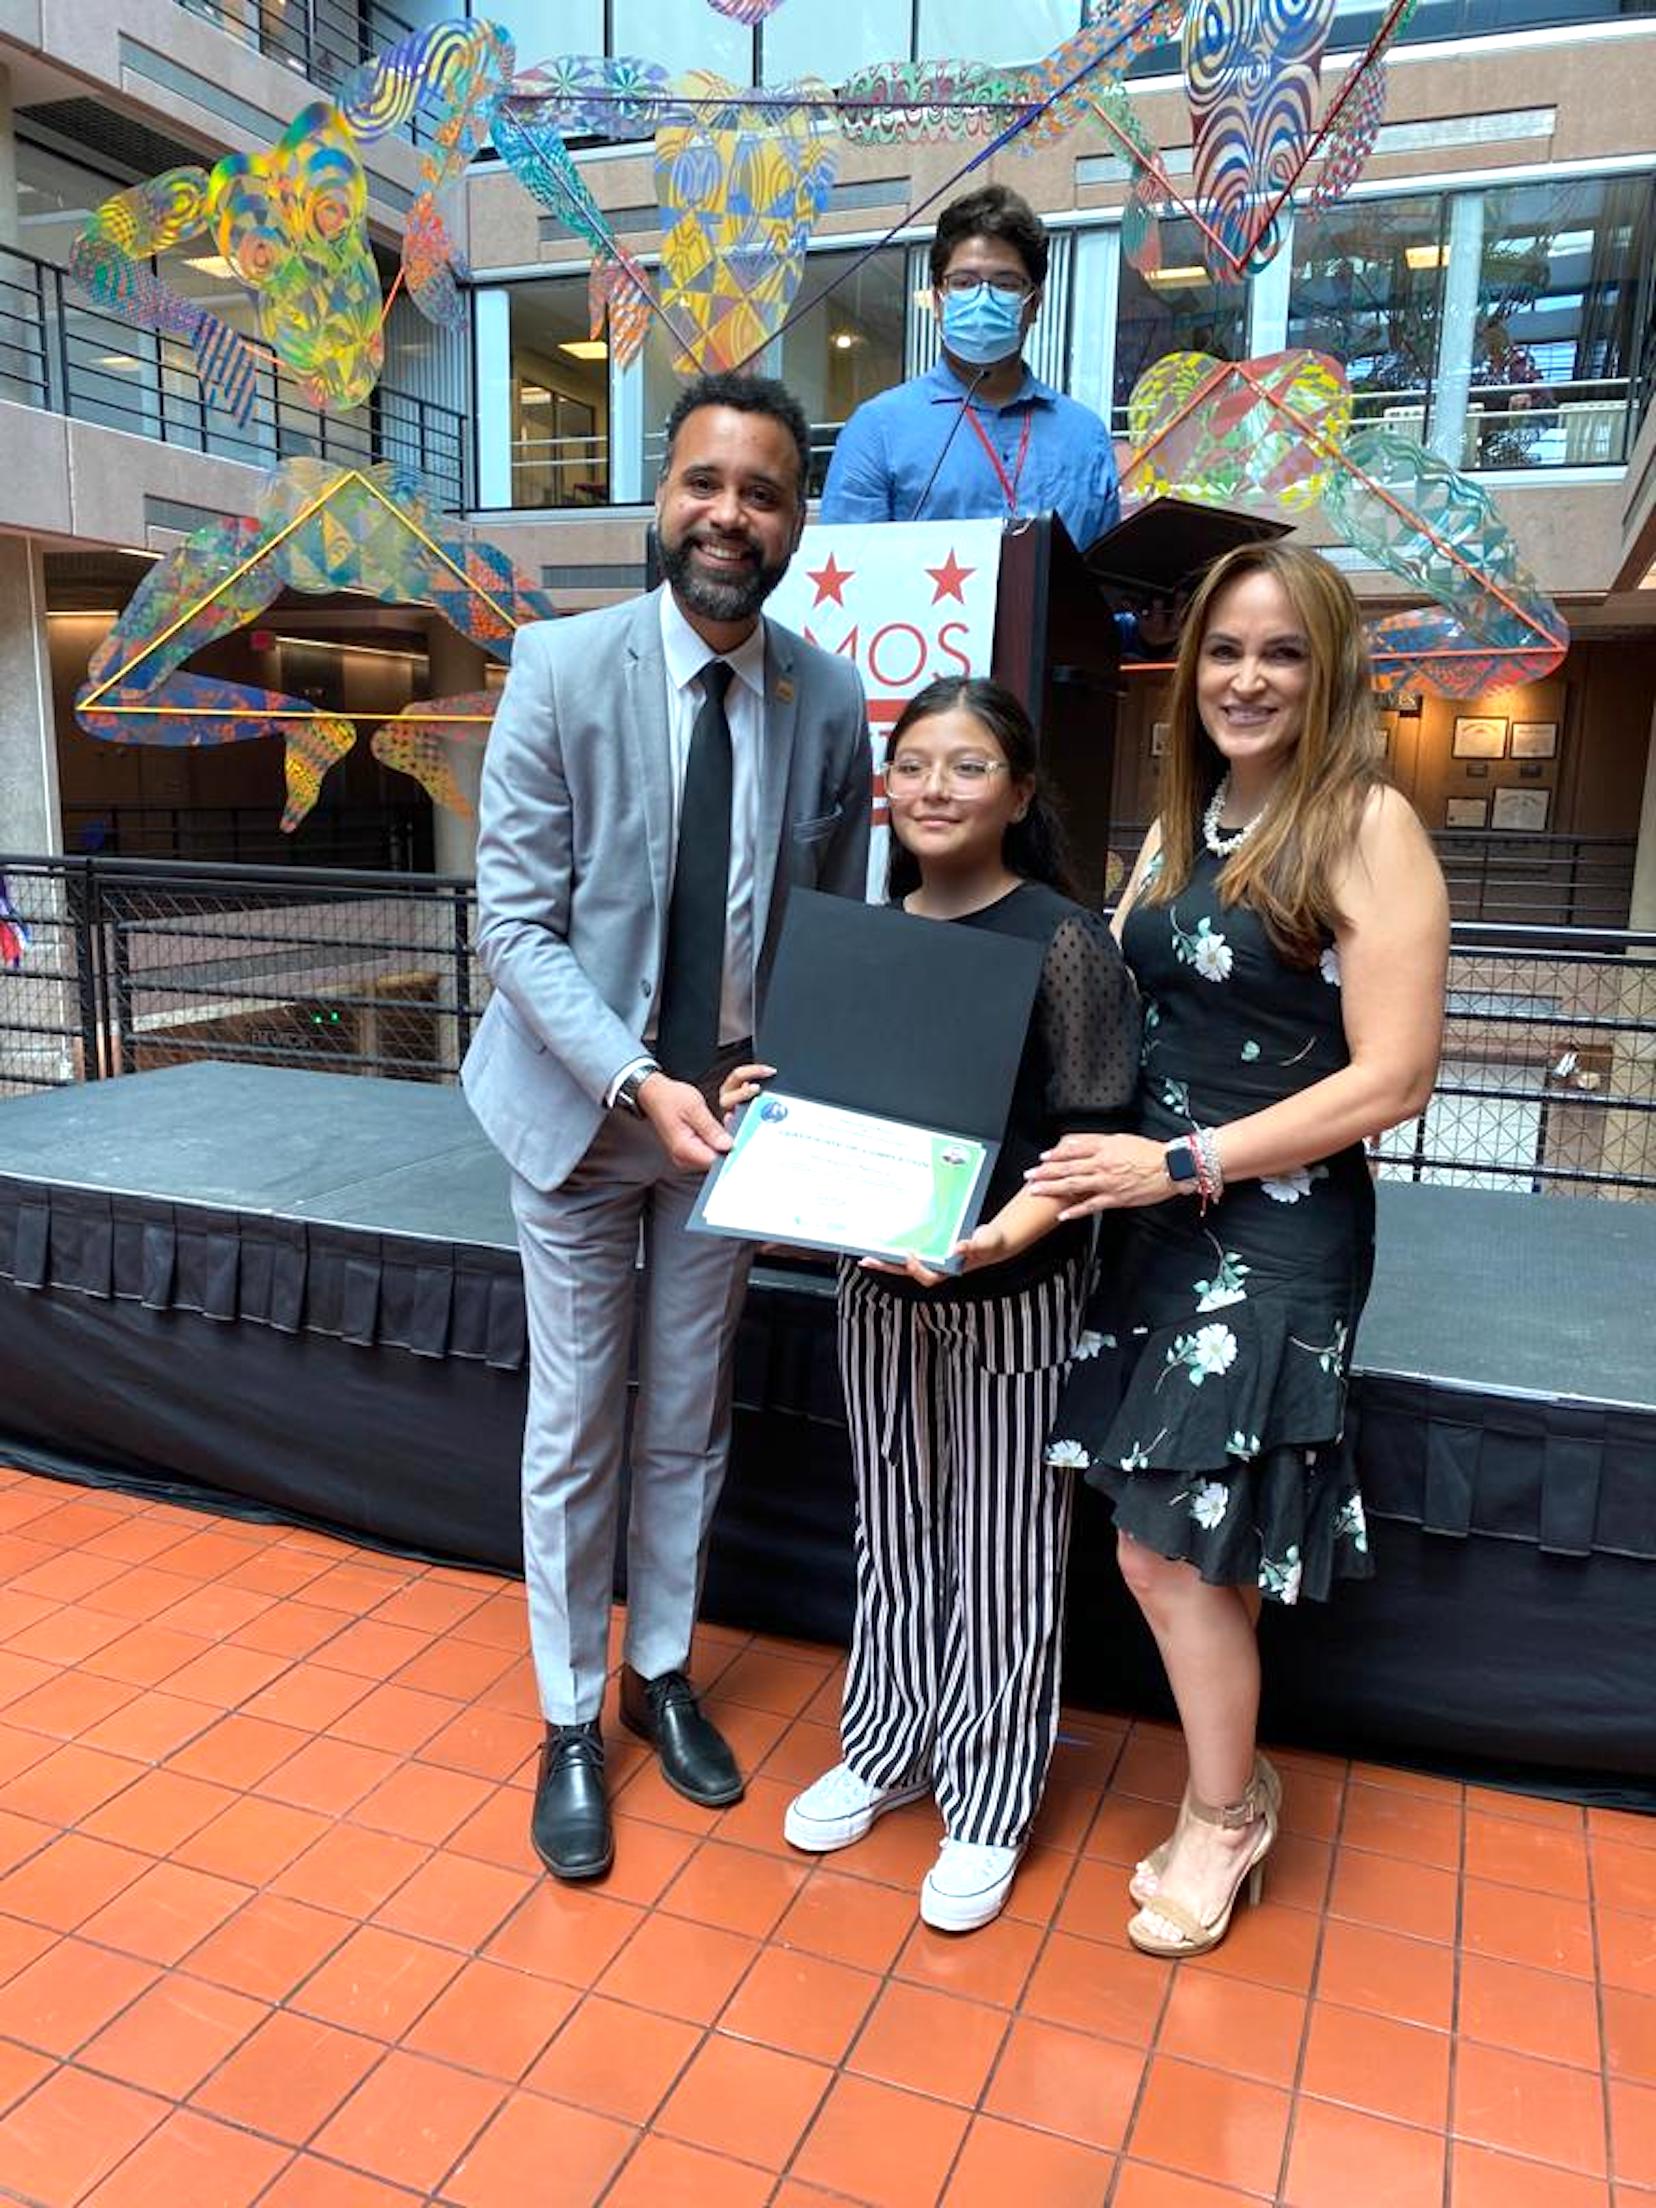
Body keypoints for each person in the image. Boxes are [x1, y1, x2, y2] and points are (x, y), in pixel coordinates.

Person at [463, 372, 872, 1883]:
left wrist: (796, 1077)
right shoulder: (559, 667)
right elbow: (515, 926)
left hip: (736, 1130)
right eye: (706, 482)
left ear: (797, 523)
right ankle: (573, 1715)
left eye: (763, 492)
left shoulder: (830, 699)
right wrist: (639, 1079)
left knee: (689, 1412)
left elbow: (830, 927)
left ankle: (661, 1670)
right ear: (662, 496)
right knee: (579, 1418)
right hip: (584, 1116)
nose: (729, 514)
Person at [1025, 543, 1449, 1958]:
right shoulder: (1181, 823)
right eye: (1223, 649)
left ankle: (1225, 1812)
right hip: (1152, 1214)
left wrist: (1184, 1161)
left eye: (1281, 653)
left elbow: (1395, 1078)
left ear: (1329, 673)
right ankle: (1230, 1783)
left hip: (1272, 1225)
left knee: (1167, 1552)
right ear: (1190, 670)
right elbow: (1115, 1004)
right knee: (1182, 1542)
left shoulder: (1367, 824)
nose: (1247, 678)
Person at [721, 678, 1139, 1931]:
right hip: (874, 1283)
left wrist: (1003, 1236)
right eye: (912, 766)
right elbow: (826, 1110)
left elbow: (1095, 1141)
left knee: (1006, 1543)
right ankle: (886, 1742)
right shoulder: (862, 935)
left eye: (967, 767)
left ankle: (990, 1796)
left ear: (1019, 793)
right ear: (885, 787)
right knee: (892, 1520)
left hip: (1014, 1290)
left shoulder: (1064, 939)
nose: (934, 790)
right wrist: (760, 1116)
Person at [819, 185, 1121, 551]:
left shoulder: (1086, 436)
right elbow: (847, 569)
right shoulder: (877, 430)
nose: (983, 298)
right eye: (963, 283)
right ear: (938, 299)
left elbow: (1105, 577)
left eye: (1005, 284)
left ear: (1034, 303)